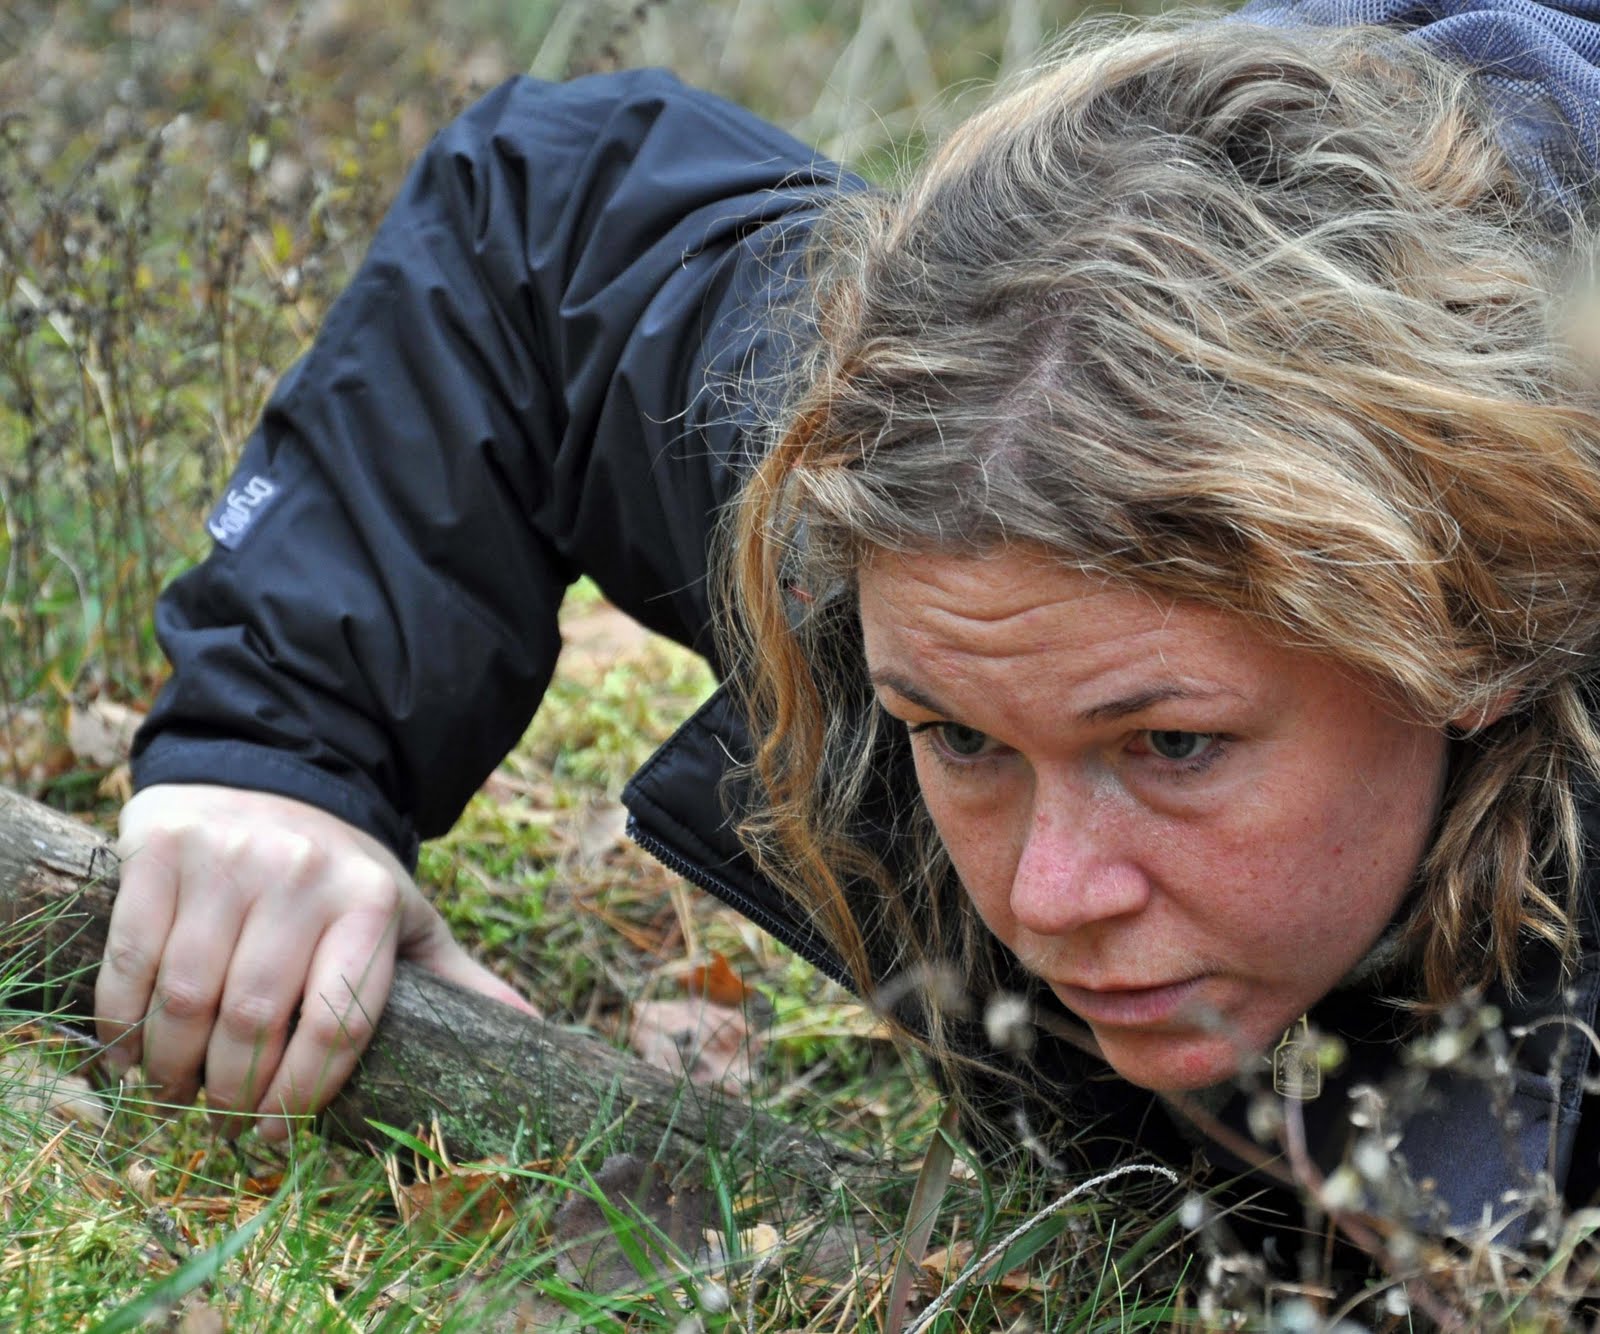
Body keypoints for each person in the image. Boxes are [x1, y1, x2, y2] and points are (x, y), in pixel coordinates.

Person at [97, 0, 1600, 1243]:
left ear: (1481, 630)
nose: (1054, 894)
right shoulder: (934, 466)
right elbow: (546, 222)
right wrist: (279, 754)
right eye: (958, 736)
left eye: (1174, 743)